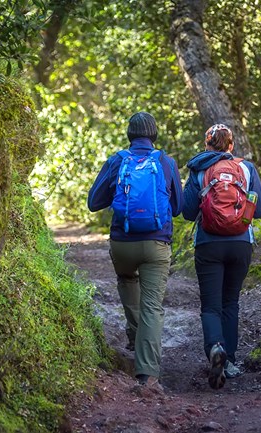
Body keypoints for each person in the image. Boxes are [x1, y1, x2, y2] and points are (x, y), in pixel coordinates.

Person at [87, 111, 183, 388]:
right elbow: (176, 208)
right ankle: (147, 374)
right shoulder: (166, 162)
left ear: (129, 135)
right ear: (154, 135)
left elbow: (94, 202)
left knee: (128, 279)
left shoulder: (117, 161)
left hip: (123, 243)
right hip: (156, 245)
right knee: (152, 307)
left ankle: (134, 335)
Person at [182, 124, 261, 390]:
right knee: (231, 302)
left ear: (207, 144)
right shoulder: (247, 168)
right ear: (231, 145)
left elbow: (185, 212)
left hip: (208, 244)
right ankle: (229, 361)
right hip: (241, 243)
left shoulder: (198, 168)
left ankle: (215, 347)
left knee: (211, 305)